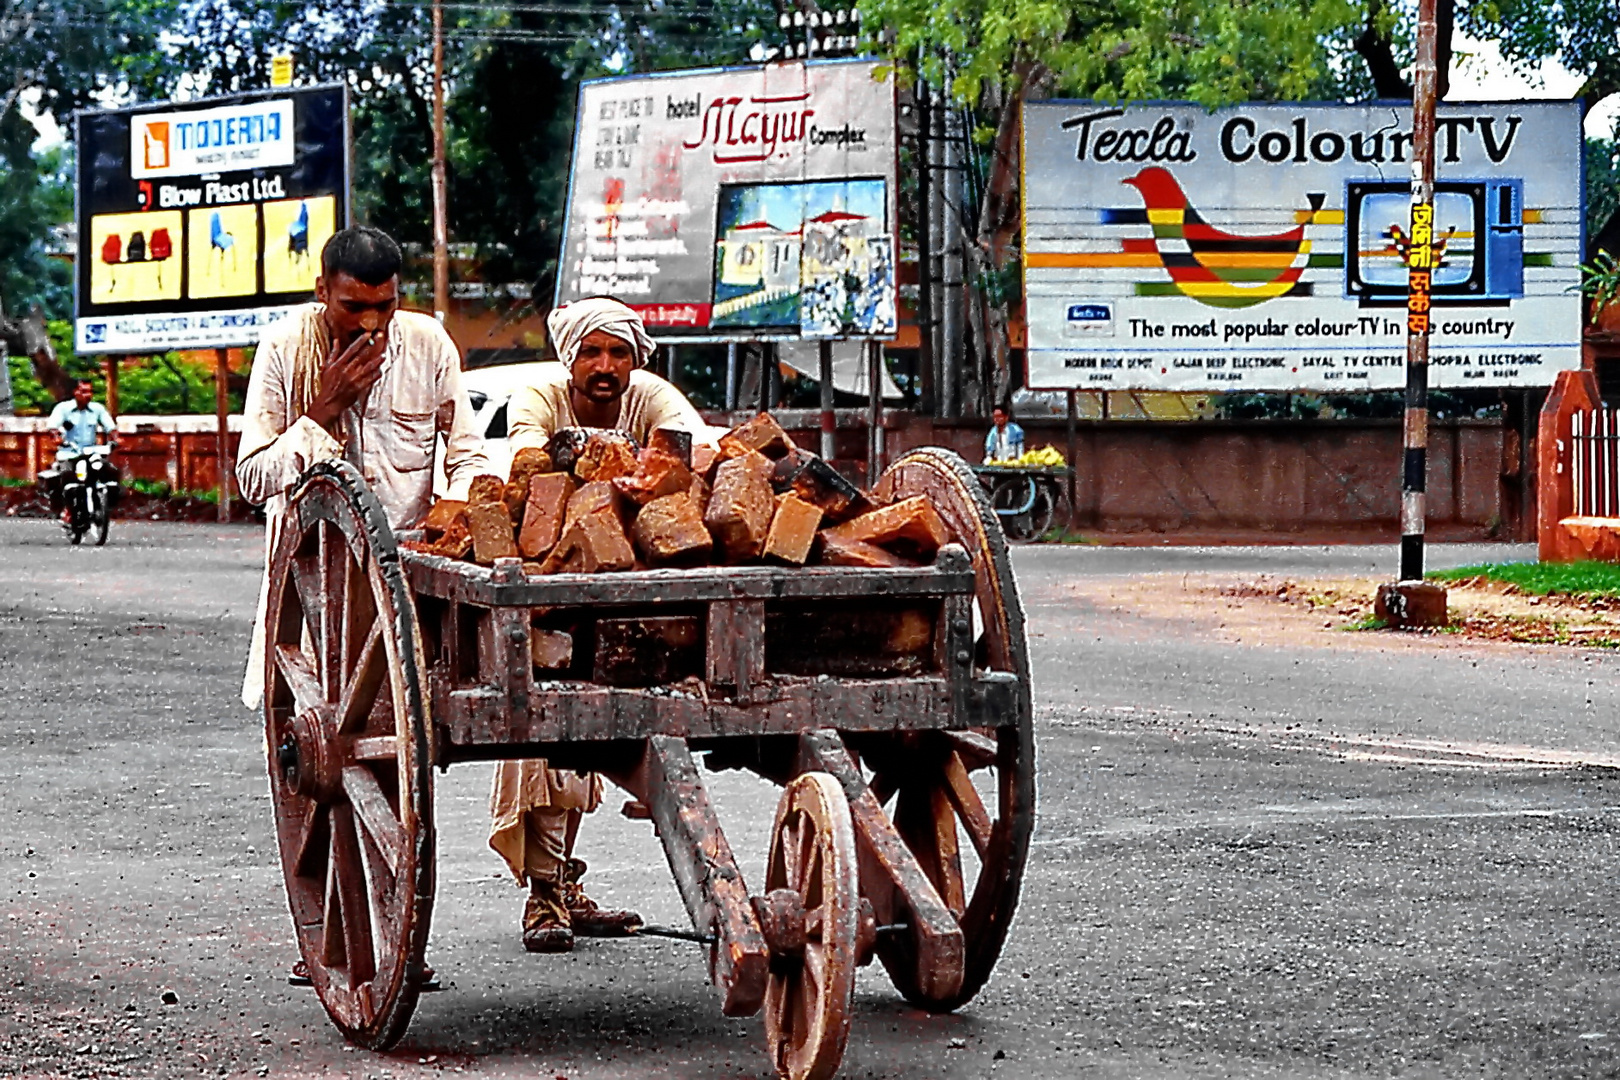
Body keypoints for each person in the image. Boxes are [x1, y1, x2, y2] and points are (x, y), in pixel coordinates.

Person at [493, 296, 716, 953]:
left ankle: (561, 883)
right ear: (570, 359)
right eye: (591, 351)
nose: (605, 365)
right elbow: (527, 462)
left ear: (634, 361)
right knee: (543, 722)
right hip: (550, 580)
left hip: (635, 587)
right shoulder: (537, 398)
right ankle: (547, 894)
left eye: (618, 353)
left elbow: (698, 454)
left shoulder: (652, 397)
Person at [237, 224, 489, 705]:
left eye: (385, 306)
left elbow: (470, 455)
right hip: (313, 591)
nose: (371, 323)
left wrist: (453, 507)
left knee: (405, 734)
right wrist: (324, 410)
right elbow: (251, 478)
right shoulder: (284, 347)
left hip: (404, 581)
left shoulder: (428, 343)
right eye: (353, 307)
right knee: (311, 749)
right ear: (322, 291)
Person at [43, 379, 118, 522]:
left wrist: (115, 438)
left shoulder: (97, 409)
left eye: (90, 391)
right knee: (66, 475)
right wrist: (57, 437)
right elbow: (53, 427)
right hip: (70, 453)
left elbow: (111, 427)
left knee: (111, 472)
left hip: (91, 453)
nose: (87, 395)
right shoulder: (63, 409)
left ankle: (104, 506)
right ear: (75, 392)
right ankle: (67, 509)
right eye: (84, 391)